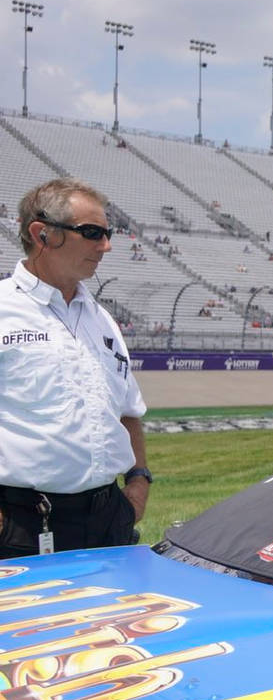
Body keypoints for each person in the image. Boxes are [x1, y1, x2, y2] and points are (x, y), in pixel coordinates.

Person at [1, 179, 152, 559]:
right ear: (43, 234)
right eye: (92, 233)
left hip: (109, 518)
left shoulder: (102, 320)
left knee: (114, 620)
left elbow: (128, 410)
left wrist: (138, 480)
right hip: (22, 524)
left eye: (107, 233)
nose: (106, 245)